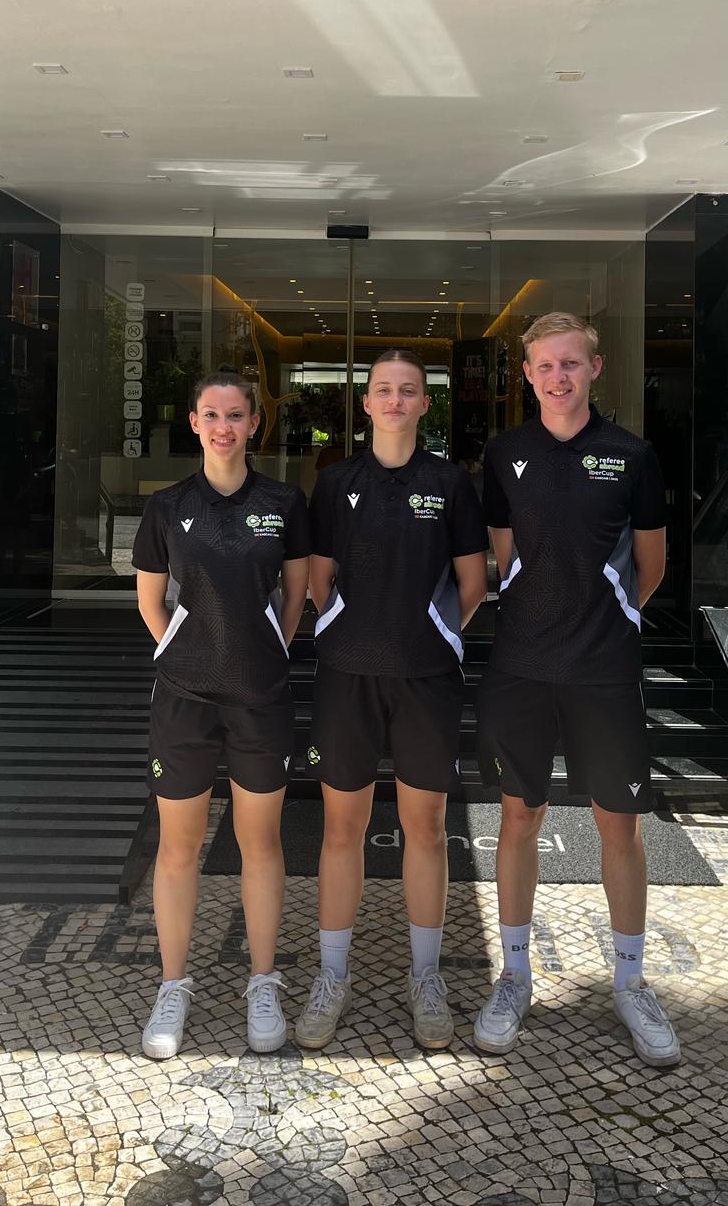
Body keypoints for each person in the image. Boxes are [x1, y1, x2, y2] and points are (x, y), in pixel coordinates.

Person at [472, 313, 679, 1066]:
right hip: (521, 666)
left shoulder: (632, 456)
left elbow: (650, 567)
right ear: (527, 375)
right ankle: (514, 976)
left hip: (604, 671)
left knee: (619, 825)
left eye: (570, 363)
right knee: (517, 817)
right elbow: (505, 560)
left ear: (595, 367)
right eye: (544, 366)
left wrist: (604, 620)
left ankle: (630, 983)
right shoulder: (505, 454)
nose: (557, 377)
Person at [293, 350, 488, 1052]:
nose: (396, 400)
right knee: (340, 830)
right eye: (384, 390)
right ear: (367, 402)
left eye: (409, 390)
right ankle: (332, 976)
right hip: (346, 677)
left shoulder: (450, 483)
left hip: (426, 680)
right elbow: (318, 581)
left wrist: (430, 636)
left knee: (426, 829)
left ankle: (426, 977)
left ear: (425, 404)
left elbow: (473, 583)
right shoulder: (335, 481)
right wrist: (355, 632)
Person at [132, 369, 310, 1059]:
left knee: (259, 843)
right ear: (194, 422)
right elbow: (151, 603)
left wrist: (263, 654)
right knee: (178, 847)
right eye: (211, 414)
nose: (224, 427)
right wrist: (186, 656)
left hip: (261, 696)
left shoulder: (284, 502)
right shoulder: (167, 506)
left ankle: (262, 983)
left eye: (236, 415)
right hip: (184, 697)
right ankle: (173, 985)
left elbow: (294, 597)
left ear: (255, 422)